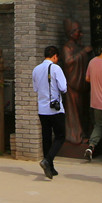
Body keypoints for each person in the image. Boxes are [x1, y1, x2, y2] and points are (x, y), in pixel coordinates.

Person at [31, 46, 68, 179]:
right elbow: (63, 88)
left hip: (42, 109)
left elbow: (35, 88)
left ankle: (50, 168)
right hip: (56, 109)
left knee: (46, 137)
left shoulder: (36, 69)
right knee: (60, 136)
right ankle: (48, 160)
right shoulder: (56, 68)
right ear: (55, 56)